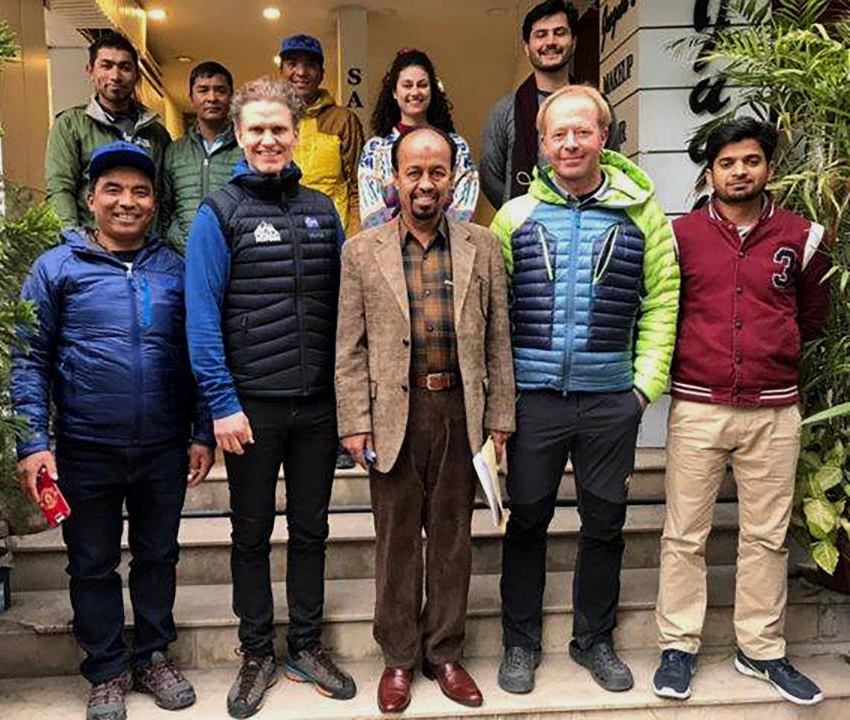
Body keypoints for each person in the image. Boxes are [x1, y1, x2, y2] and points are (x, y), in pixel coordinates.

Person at [12, 141, 213, 720]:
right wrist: (33, 443)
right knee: (91, 562)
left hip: (161, 447)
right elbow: (28, 360)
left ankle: (153, 655)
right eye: (114, 190)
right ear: (91, 198)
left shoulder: (174, 271)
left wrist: (201, 431)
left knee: (158, 557)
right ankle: (105, 669)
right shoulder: (56, 269)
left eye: (141, 191)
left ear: (154, 202)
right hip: (84, 446)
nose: (128, 202)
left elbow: (198, 354)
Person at [490, 85, 679, 695]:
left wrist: (643, 389)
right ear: (542, 146)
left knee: (605, 524)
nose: (570, 143)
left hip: (609, 401)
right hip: (535, 400)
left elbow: (662, 302)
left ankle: (594, 639)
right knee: (526, 523)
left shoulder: (641, 213)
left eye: (582, 131)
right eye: (557, 135)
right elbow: (494, 316)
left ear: (604, 136)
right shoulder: (513, 216)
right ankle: (519, 643)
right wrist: (502, 399)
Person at [184, 77, 356, 719]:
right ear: (238, 133)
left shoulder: (322, 210)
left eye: (278, 128)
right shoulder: (218, 213)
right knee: (251, 531)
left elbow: (346, 312)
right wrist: (220, 403)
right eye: (255, 129)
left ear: (296, 133)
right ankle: (256, 650)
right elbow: (201, 318)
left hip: (316, 406)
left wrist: (348, 404)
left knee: (312, 528)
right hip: (249, 406)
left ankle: (305, 645)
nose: (267, 139)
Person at [336, 127, 516, 714]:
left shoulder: (481, 246)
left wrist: (499, 421)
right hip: (394, 413)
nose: (424, 184)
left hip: (459, 410)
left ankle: (444, 652)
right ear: (394, 178)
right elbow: (350, 348)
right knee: (395, 543)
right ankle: (397, 658)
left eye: (436, 172)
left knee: (451, 540)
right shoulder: (362, 250)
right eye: (413, 172)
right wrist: (354, 423)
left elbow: (497, 341)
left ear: (454, 179)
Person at [652, 118, 830, 706]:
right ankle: (678, 644)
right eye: (727, 164)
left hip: (774, 412)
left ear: (768, 168)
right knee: (684, 533)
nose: (739, 172)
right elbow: (665, 311)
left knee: (766, 537)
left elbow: (811, 318)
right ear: (711, 172)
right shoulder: (679, 236)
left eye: (750, 161)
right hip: (699, 407)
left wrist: (771, 357)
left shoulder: (802, 237)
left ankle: (761, 648)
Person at [480, 0, 619, 209]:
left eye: (559, 32)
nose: (550, 41)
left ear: (574, 41)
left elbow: (614, 165)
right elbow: (490, 177)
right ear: (527, 47)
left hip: (592, 224)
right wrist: (522, 212)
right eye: (541, 34)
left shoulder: (598, 106)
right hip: (524, 231)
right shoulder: (506, 109)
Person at [45, 31, 172, 230]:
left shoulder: (156, 132)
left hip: (146, 249)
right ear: (90, 71)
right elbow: (60, 189)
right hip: (92, 247)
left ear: (136, 75)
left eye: (125, 67)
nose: (115, 76)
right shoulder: (70, 125)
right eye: (106, 66)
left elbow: (163, 194)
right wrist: (73, 241)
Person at [358, 49, 478, 230]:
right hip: (389, 252)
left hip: (449, 248)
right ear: (394, 92)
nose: (415, 92)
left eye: (422, 85)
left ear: (433, 90)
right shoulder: (375, 150)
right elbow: (371, 211)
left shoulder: (457, 146)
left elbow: (464, 208)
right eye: (407, 85)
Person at [278, 33, 364, 236]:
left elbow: (358, 187)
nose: (301, 72)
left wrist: (353, 238)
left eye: (310, 65)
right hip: (283, 236)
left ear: (321, 73)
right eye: (292, 64)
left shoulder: (343, 119)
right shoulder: (270, 120)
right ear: (281, 71)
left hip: (331, 235)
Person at [162, 60, 244, 250]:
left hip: (233, 256)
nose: (212, 97)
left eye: (220, 90)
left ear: (231, 97)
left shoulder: (246, 148)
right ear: (191, 97)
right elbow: (164, 208)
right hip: (182, 257)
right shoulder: (174, 151)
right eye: (203, 90)